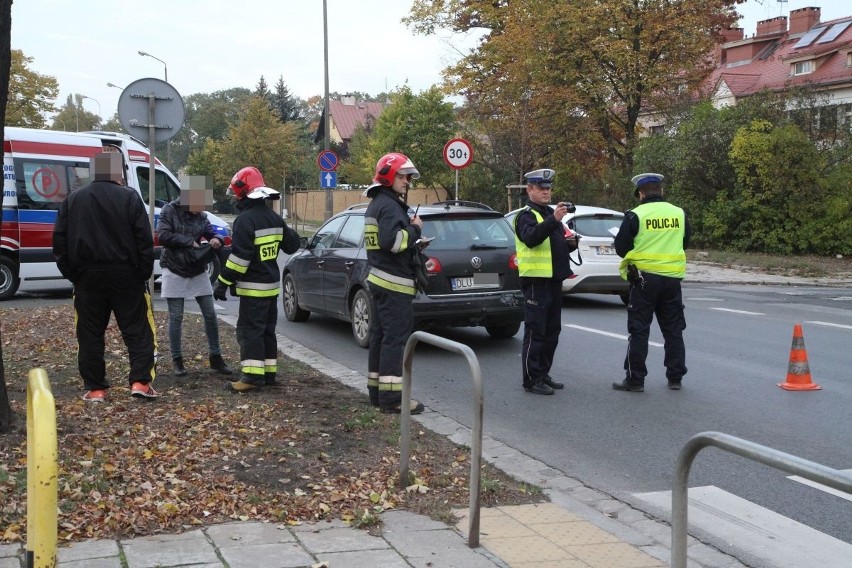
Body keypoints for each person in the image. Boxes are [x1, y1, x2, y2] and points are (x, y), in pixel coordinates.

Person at [53, 151, 158, 401]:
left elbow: (59, 242)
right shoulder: (130, 198)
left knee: (89, 334)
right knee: (138, 330)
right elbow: (144, 239)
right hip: (126, 275)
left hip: (87, 277)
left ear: (94, 171)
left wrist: (74, 274)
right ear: (118, 172)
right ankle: (140, 383)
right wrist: (141, 273)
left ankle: (95, 388)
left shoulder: (73, 199)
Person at [213, 167, 292, 392]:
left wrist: (223, 282)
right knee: (267, 331)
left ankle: (250, 378)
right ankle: (268, 374)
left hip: (252, 289)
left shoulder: (245, 220)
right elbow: (292, 245)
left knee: (250, 331)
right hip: (271, 287)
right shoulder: (274, 217)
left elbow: (240, 259)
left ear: (241, 193)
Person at [612, 173, 692, 392]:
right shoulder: (679, 213)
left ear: (641, 193)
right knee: (674, 329)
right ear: (661, 191)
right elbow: (684, 242)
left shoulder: (634, 215)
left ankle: (635, 379)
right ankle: (675, 377)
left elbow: (621, 249)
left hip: (644, 279)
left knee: (639, 330)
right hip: (672, 280)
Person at [363, 152, 426, 414]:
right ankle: (392, 400)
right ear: (388, 176)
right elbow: (393, 242)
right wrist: (416, 230)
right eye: (402, 176)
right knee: (395, 340)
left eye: (408, 177)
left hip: (380, 280)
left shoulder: (377, 204)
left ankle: (377, 393)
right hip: (394, 284)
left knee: (380, 337)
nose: (407, 181)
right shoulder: (389, 206)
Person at [157, 180, 233, 377]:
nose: (201, 209)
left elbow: (211, 231)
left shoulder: (202, 216)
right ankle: (177, 360)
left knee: (210, 314)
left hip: (196, 267)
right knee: (176, 316)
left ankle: (216, 357)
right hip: (173, 267)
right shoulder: (169, 211)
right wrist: (189, 241)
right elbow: (163, 236)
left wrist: (216, 238)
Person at [513, 168, 575, 395]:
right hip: (536, 282)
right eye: (541, 188)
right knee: (536, 331)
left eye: (548, 188)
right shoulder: (525, 215)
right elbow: (531, 238)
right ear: (529, 189)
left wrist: (570, 244)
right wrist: (554, 220)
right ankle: (531, 379)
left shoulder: (549, 213)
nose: (546, 192)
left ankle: (543, 373)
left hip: (553, 280)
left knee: (552, 331)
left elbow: (554, 242)